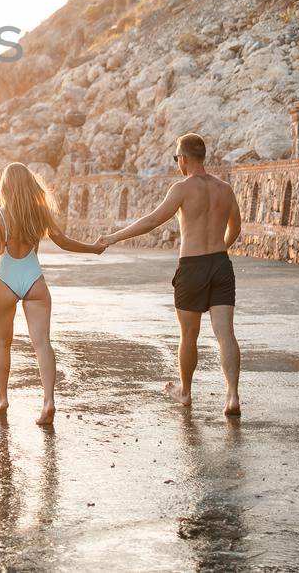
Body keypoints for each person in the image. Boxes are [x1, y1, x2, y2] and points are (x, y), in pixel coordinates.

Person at [101, 133, 243, 415]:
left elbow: (152, 220)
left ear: (185, 158)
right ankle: (233, 397)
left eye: (176, 157)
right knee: (225, 334)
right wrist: (219, 251)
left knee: (188, 334)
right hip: (220, 263)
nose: (177, 161)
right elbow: (236, 227)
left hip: (192, 267)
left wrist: (113, 238)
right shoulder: (225, 189)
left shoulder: (181, 189)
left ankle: (186, 392)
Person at [0, 162, 107, 426]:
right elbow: (63, 241)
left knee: (2, 343)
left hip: (5, 280)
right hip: (33, 279)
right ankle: (48, 401)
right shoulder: (40, 212)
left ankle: (2, 399)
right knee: (42, 344)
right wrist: (93, 249)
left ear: (5, 186)